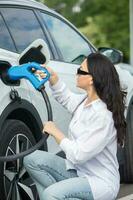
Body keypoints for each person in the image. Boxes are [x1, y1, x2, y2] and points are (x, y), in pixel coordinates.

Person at [24, 53, 127, 200]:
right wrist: (53, 77)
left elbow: (79, 155)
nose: (76, 73)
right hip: (78, 172)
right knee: (32, 159)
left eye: (81, 71)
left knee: (51, 194)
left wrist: (56, 132)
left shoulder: (103, 116)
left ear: (91, 78)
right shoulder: (84, 101)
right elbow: (66, 98)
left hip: (99, 183)